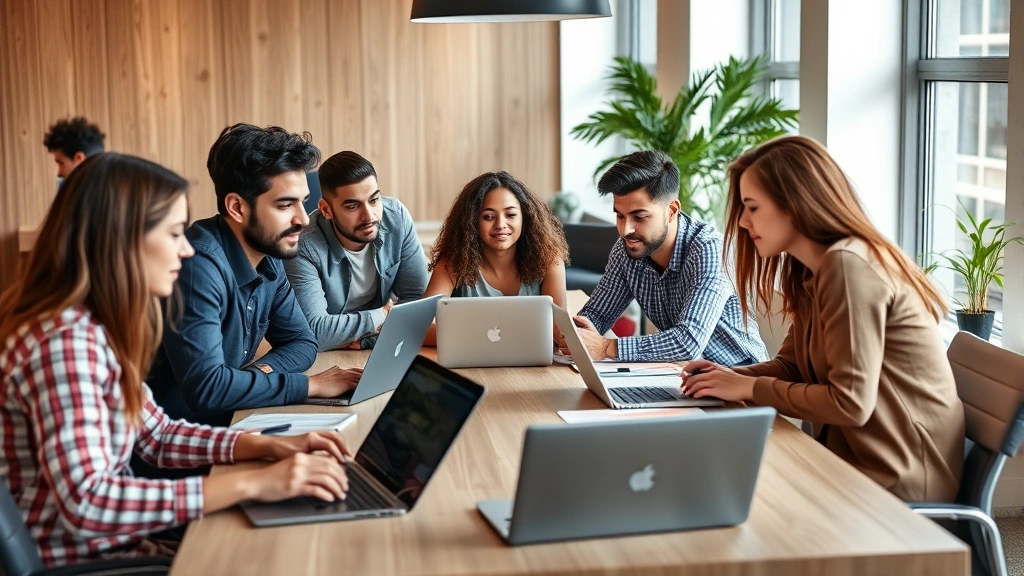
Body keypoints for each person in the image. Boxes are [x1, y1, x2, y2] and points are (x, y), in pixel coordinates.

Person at [0, 153, 351, 568]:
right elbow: (88, 502)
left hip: (126, 549)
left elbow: (157, 436)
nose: (187, 251)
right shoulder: (63, 344)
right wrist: (253, 484)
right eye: (173, 234)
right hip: (91, 562)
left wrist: (268, 445)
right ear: (121, 240)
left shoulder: (95, 327)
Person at [681, 135, 964, 502]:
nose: (743, 222)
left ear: (795, 204)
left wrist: (749, 388)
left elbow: (850, 403)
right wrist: (729, 378)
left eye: (752, 207)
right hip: (848, 459)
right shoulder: (809, 270)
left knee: (729, 491)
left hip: (896, 476)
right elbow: (792, 366)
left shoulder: (848, 266)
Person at [146, 124, 361, 430]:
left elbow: (302, 342)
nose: (302, 218)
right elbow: (209, 388)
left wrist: (256, 375)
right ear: (237, 207)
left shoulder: (268, 257)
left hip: (233, 419)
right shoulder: (196, 266)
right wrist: (309, 386)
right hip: (179, 439)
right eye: (285, 205)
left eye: (303, 201)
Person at [573, 150, 768, 365]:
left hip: (742, 379)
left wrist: (606, 347)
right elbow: (598, 314)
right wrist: (573, 334)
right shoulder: (627, 249)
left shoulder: (710, 250)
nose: (625, 229)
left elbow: (688, 342)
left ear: (672, 211)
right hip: (683, 377)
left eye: (639, 217)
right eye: (620, 215)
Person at [284, 151, 429, 351]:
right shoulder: (304, 245)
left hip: (378, 349)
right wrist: (382, 314)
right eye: (353, 206)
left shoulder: (396, 218)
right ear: (326, 210)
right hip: (324, 359)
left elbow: (419, 300)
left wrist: (369, 340)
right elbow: (314, 332)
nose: (369, 216)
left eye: (374, 200)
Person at [422, 171, 569, 345]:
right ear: (471, 222)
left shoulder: (549, 260)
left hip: (533, 369)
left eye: (511, 215)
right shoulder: (453, 263)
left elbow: (560, 331)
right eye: (488, 217)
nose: (500, 225)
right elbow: (419, 328)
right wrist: (479, 338)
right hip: (471, 365)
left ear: (526, 218)